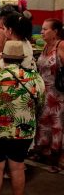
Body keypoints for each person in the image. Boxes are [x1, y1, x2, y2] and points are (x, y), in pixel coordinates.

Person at [0, 40, 45, 195]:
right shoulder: (36, 78)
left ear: (3, 58)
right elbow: (41, 104)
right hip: (24, 130)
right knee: (18, 166)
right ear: (21, 59)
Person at [34, 18, 64, 173]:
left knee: (57, 126)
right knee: (44, 125)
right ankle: (43, 153)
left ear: (56, 32)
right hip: (44, 94)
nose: (41, 32)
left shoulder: (61, 45)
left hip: (58, 95)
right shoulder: (46, 46)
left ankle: (57, 159)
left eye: (45, 29)